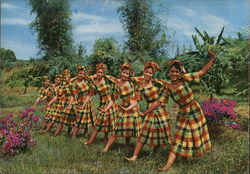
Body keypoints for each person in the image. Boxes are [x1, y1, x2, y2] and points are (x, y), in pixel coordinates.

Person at [143, 50, 215, 171]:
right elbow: (158, 102)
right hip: (183, 112)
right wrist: (144, 113)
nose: (174, 74)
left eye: (177, 71)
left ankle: (185, 157)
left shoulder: (185, 78)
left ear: (180, 72)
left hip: (195, 111)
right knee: (178, 138)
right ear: (168, 72)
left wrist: (212, 59)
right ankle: (167, 166)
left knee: (191, 135)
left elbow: (202, 72)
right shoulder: (167, 87)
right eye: (172, 71)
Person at [124, 61, 171, 161]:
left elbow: (170, 86)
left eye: (150, 73)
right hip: (150, 109)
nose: (148, 74)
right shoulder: (140, 86)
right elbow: (136, 100)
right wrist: (132, 109)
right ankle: (134, 156)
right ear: (143, 72)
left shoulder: (157, 83)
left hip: (161, 109)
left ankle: (154, 152)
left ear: (153, 74)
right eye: (146, 72)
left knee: (160, 133)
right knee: (143, 133)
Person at [101, 63, 143, 152]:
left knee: (130, 127)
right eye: (124, 72)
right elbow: (113, 100)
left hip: (133, 108)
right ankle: (106, 148)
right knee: (116, 129)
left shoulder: (131, 82)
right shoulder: (117, 84)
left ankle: (127, 145)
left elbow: (136, 99)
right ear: (120, 72)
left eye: (127, 73)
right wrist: (106, 109)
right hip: (123, 107)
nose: (125, 75)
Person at [83, 63, 118, 145]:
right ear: (96, 72)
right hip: (102, 103)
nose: (100, 74)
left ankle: (96, 141)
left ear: (104, 73)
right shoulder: (95, 82)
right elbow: (90, 90)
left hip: (110, 103)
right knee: (100, 123)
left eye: (101, 72)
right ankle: (92, 141)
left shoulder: (107, 80)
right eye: (98, 72)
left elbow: (117, 81)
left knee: (107, 123)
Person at [71, 65, 95, 138]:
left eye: (82, 74)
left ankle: (85, 134)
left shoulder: (86, 80)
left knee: (87, 119)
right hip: (81, 102)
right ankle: (73, 135)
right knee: (78, 120)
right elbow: (74, 94)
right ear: (77, 74)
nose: (81, 75)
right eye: (79, 73)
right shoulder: (75, 83)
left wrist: (88, 72)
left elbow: (91, 90)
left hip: (88, 102)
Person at [53, 69, 76, 136]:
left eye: (66, 77)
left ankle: (68, 133)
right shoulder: (64, 85)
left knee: (71, 120)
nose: (65, 79)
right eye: (64, 78)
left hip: (71, 103)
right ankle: (56, 134)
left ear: (69, 77)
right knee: (62, 120)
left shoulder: (72, 84)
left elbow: (73, 96)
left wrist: (69, 105)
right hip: (65, 102)